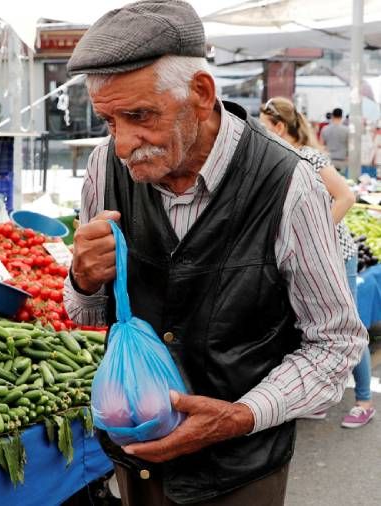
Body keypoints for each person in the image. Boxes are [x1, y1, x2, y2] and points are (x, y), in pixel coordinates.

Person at [63, 1, 367, 504]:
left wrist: (239, 416)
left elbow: (335, 343)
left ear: (201, 94)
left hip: (240, 472)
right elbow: (88, 313)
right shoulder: (104, 169)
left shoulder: (288, 184)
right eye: (109, 121)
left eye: (139, 116)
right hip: (135, 461)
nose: (122, 144)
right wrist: (83, 278)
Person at [259, 97, 372, 428]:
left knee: (345, 326)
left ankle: (364, 400)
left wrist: (315, 235)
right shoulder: (277, 160)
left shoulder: (308, 157)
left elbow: (347, 196)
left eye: (266, 128)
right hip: (306, 260)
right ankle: (320, 399)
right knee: (310, 325)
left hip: (339, 255)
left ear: (280, 127)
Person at [321, 107, 349, 172]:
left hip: (328, 161)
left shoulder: (325, 129)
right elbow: (349, 145)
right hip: (342, 160)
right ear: (342, 116)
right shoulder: (346, 130)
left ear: (332, 116)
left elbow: (321, 145)